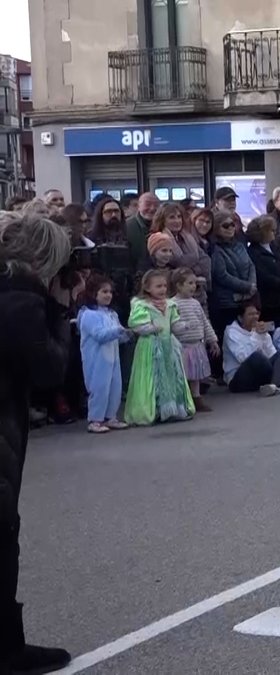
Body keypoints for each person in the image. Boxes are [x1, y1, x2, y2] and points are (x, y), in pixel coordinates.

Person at [0, 212, 75, 673]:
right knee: (3, 535)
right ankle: (8, 648)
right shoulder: (21, 303)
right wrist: (60, 313)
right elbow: (49, 369)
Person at [124, 268, 195, 425]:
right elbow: (137, 326)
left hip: (168, 347)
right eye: (158, 286)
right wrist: (150, 328)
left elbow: (174, 325)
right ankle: (153, 411)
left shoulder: (170, 305)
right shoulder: (141, 305)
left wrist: (183, 326)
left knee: (170, 377)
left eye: (164, 286)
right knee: (153, 377)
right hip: (150, 347)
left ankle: (172, 410)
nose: (162, 289)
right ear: (147, 288)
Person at [78, 274, 133, 433]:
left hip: (112, 358)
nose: (108, 295)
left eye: (110, 292)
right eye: (104, 291)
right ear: (93, 293)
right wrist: (118, 330)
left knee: (115, 387)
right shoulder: (89, 315)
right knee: (99, 388)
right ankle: (95, 419)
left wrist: (125, 335)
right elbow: (100, 335)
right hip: (96, 360)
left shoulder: (112, 314)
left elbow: (116, 337)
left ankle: (110, 417)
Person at [223, 301, 280, 396]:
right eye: (250, 314)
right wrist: (257, 335)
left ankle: (273, 385)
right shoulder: (231, 332)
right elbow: (243, 357)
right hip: (238, 379)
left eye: (256, 313)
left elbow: (272, 354)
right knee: (257, 357)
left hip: (259, 376)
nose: (255, 317)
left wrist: (264, 336)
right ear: (240, 318)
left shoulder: (258, 330)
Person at [170, 269, 219, 412]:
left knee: (195, 375)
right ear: (179, 285)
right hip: (181, 345)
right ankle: (183, 399)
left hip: (196, 344)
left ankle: (197, 398)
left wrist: (212, 340)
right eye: (190, 283)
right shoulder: (173, 304)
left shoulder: (196, 304)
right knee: (183, 374)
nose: (193, 286)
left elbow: (204, 322)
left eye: (195, 283)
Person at [208, 210, 257, 345]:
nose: (230, 228)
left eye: (232, 225)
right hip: (227, 303)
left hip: (245, 301)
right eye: (225, 226)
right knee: (229, 341)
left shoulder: (240, 245)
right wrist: (247, 287)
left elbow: (251, 266)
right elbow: (222, 275)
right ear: (216, 227)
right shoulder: (215, 249)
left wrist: (252, 285)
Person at [245, 215, 280, 325]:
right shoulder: (253, 252)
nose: (274, 233)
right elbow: (262, 275)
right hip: (268, 302)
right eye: (271, 230)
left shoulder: (276, 248)